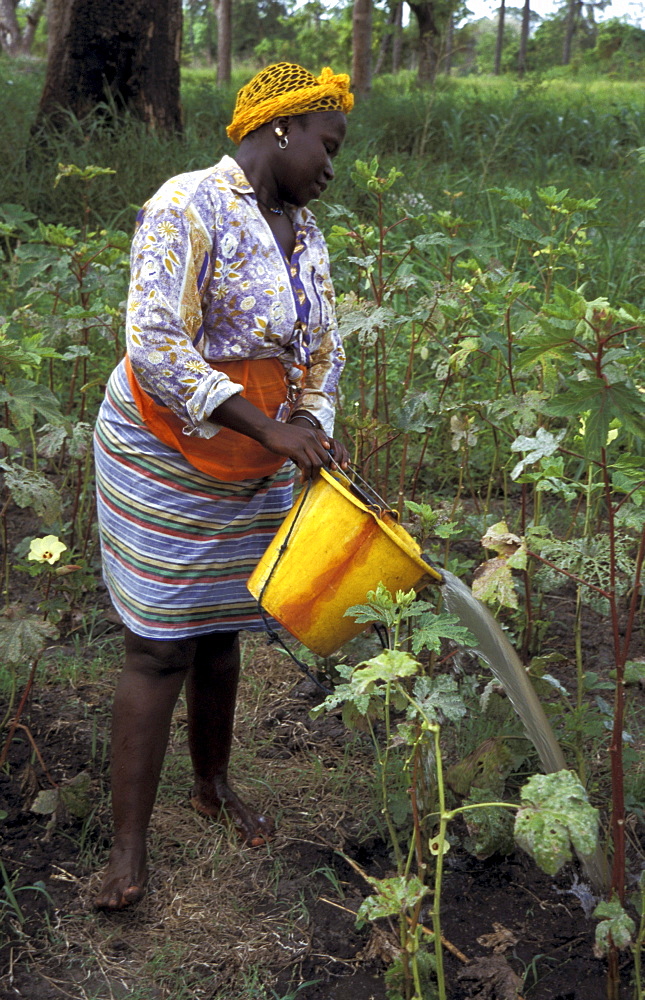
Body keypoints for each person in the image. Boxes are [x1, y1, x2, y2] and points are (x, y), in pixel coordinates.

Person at [92, 63, 353, 910]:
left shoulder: (304, 233)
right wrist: (269, 426)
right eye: (326, 144)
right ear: (283, 126)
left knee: (224, 629)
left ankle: (212, 786)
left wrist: (311, 423)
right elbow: (155, 344)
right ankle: (126, 850)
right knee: (162, 642)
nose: (329, 165)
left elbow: (321, 349)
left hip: (252, 458)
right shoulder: (187, 204)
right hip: (161, 449)